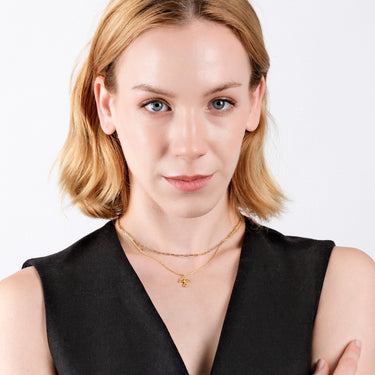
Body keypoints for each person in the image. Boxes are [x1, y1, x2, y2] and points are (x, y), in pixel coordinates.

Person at [0, 0, 374, 373]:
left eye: (220, 102)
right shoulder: (26, 309)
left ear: (255, 101)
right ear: (106, 105)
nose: (189, 146)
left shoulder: (341, 285)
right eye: (156, 105)